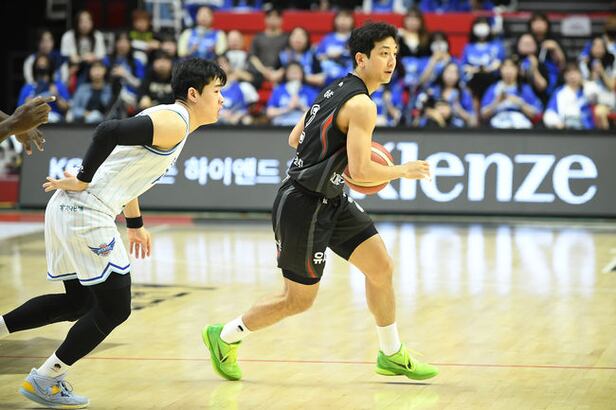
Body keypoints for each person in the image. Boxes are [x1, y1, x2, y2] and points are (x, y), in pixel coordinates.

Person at [202, 22, 438, 383]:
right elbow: (361, 171)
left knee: (381, 267)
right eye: (383, 54)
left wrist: (329, 160)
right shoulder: (361, 105)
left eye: (394, 53)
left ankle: (391, 354)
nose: (391, 61)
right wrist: (401, 171)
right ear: (362, 58)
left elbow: (295, 138)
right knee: (297, 300)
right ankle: (225, 336)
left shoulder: (334, 88)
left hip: (331, 197)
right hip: (303, 204)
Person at [0, 58, 225, 409]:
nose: (222, 99)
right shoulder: (175, 121)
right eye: (217, 91)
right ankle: (46, 378)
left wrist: (135, 224)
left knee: (79, 303)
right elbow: (107, 131)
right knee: (115, 308)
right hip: (86, 210)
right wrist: (83, 179)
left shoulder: (170, 120)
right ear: (194, 94)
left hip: (70, 208)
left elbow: (125, 166)